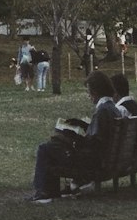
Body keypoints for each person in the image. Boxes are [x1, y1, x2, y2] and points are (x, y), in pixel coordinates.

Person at [29, 71, 124, 203]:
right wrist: (83, 126)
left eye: (88, 92)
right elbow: (101, 134)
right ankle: (48, 191)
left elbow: (94, 143)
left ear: (95, 92)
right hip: (105, 158)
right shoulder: (112, 108)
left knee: (45, 149)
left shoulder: (102, 111)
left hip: (93, 162)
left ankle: (43, 192)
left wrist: (73, 137)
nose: (88, 95)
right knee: (53, 146)